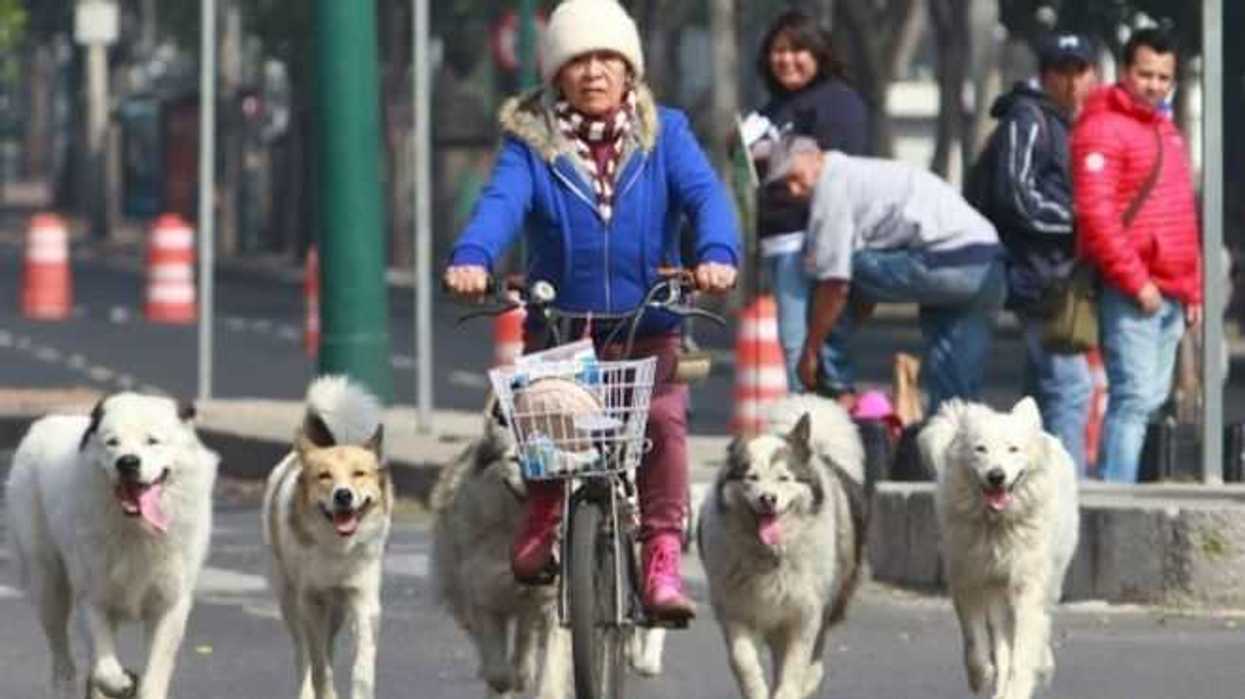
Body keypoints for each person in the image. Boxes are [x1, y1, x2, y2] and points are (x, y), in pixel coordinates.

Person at [442, 0, 740, 621]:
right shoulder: (531, 144)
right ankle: (545, 513)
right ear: (556, 74)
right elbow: (500, 205)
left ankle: (660, 551)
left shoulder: (668, 135)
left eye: (608, 58)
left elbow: (708, 196)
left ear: (630, 70)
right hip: (560, 322)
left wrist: (715, 253)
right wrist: (473, 257)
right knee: (550, 415)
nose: (594, 72)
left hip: (647, 321)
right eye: (578, 61)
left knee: (663, 424)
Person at [765, 135, 1006, 413]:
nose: (795, 191)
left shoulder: (832, 186)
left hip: (948, 261)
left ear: (816, 156)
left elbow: (837, 285)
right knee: (956, 396)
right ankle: (958, 443)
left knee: (830, 273)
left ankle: (835, 389)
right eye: (785, 186)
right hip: (988, 263)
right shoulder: (866, 172)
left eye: (797, 177)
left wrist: (811, 350)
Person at [1071, 28, 1202, 483]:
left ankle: (1124, 495)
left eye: (1164, 77)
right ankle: (1114, 499)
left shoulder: (1166, 130)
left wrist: (1192, 289)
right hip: (1134, 292)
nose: (1155, 85)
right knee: (1130, 401)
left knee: (1146, 401)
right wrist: (1136, 283)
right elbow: (1098, 216)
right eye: (1145, 74)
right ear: (1125, 72)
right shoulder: (1103, 127)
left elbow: (1183, 214)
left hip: (1171, 291)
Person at [968, 32, 1098, 476]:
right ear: (1045, 75)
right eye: (1062, 71)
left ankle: (1033, 485)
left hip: (1059, 275)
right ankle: (1070, 490)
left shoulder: (1069, 123)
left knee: (1039, 396)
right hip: (1036, 277)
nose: (1072, 81)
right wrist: (1078, 219)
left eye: (1080, 70)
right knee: (1071, 387)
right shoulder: (1029, 119)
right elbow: (1016, 197)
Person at [750, 10, 870, 394]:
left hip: (813, 244)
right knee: (797, 350)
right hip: (777, 242)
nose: (786, 59)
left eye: (798, 49)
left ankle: (818, 438)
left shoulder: (837, 102)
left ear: (819, 54)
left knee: (808, 352)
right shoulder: (770, 109)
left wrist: (774, 158)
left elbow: (837, 174)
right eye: (778, 50)